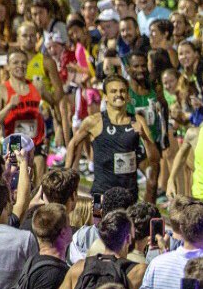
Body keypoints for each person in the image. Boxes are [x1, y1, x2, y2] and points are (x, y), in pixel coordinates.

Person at [66, 75, 161, 204]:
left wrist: (144, 136)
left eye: (122, 91)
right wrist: (66, 175)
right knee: (98, 224)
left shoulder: (138, 120)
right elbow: (74, 144)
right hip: (100, 195)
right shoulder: (94, 121)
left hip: (128, 195)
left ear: (128, 96)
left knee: (126, 224)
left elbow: (154, 159)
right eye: (113, 91)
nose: (119, 95)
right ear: (105, 97)